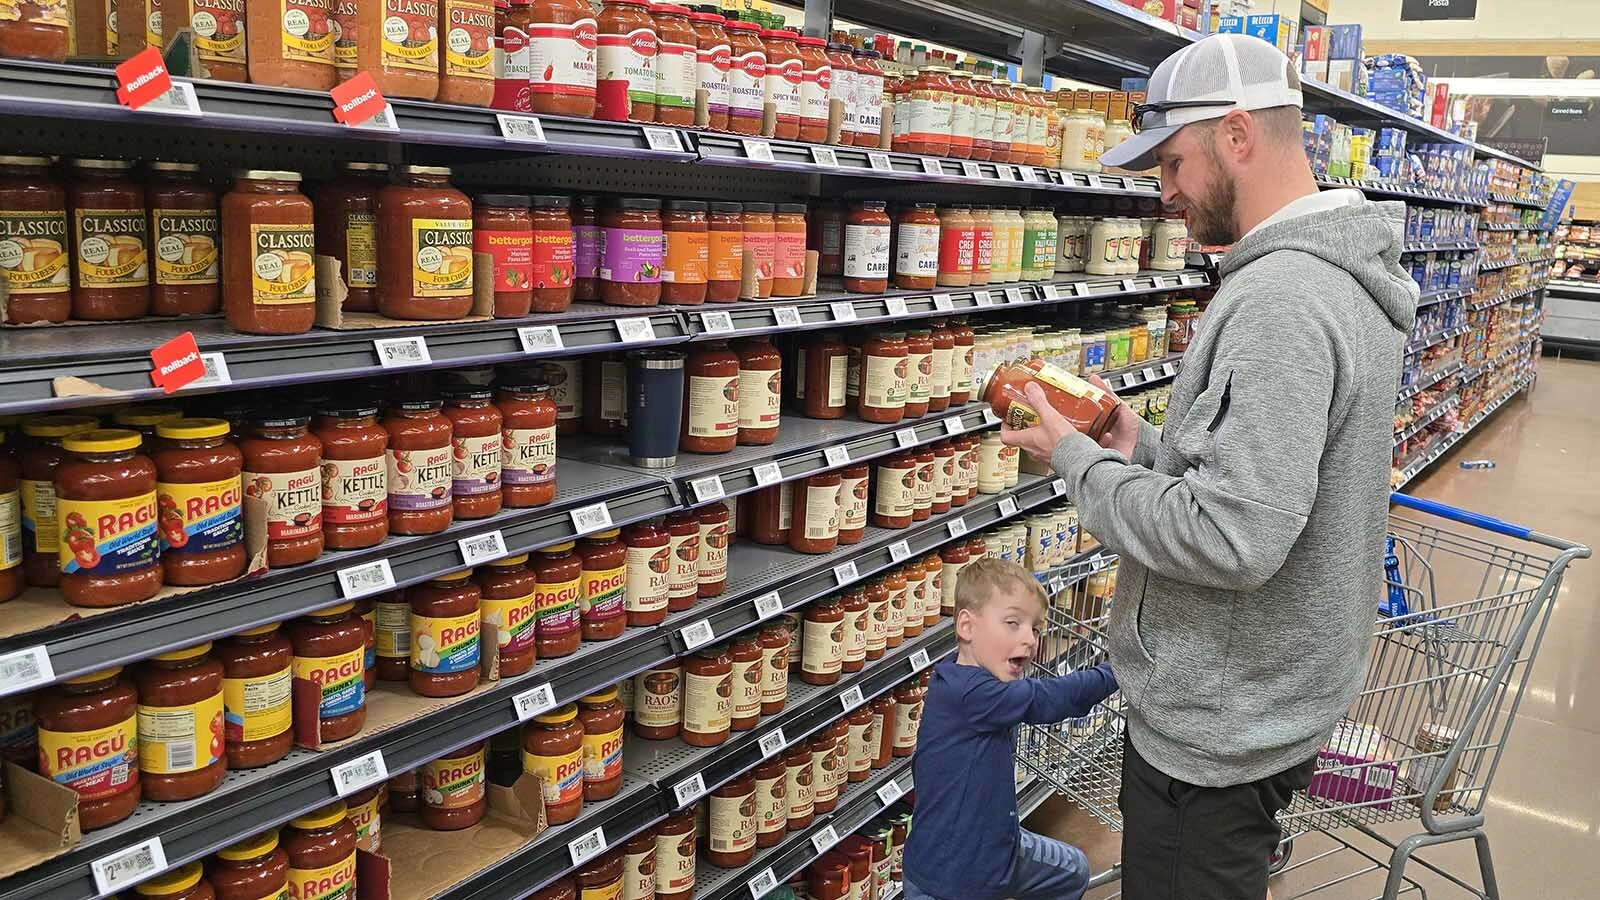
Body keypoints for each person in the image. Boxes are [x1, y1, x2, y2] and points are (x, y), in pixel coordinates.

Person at [1001, 33, 1417, 900]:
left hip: (1219, 728)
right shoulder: (1332, 277)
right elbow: (1267, 488)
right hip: (1264, 691)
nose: (1166, 193)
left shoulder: (1282, 299)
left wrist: (1072, 456)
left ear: (1236, 135)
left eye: (1174, 163)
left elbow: (1231, 539)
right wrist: (1138, 447)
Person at [901, 557, 1117, 900]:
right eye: (1013, 623)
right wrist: (1114, 671)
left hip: (998, 846)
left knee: (1072, 870)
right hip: (948, 878)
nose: (1030, 639)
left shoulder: (971, 678)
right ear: (967, 627)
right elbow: (1050, 698)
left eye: (1035, 628)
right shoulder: (971, 693)